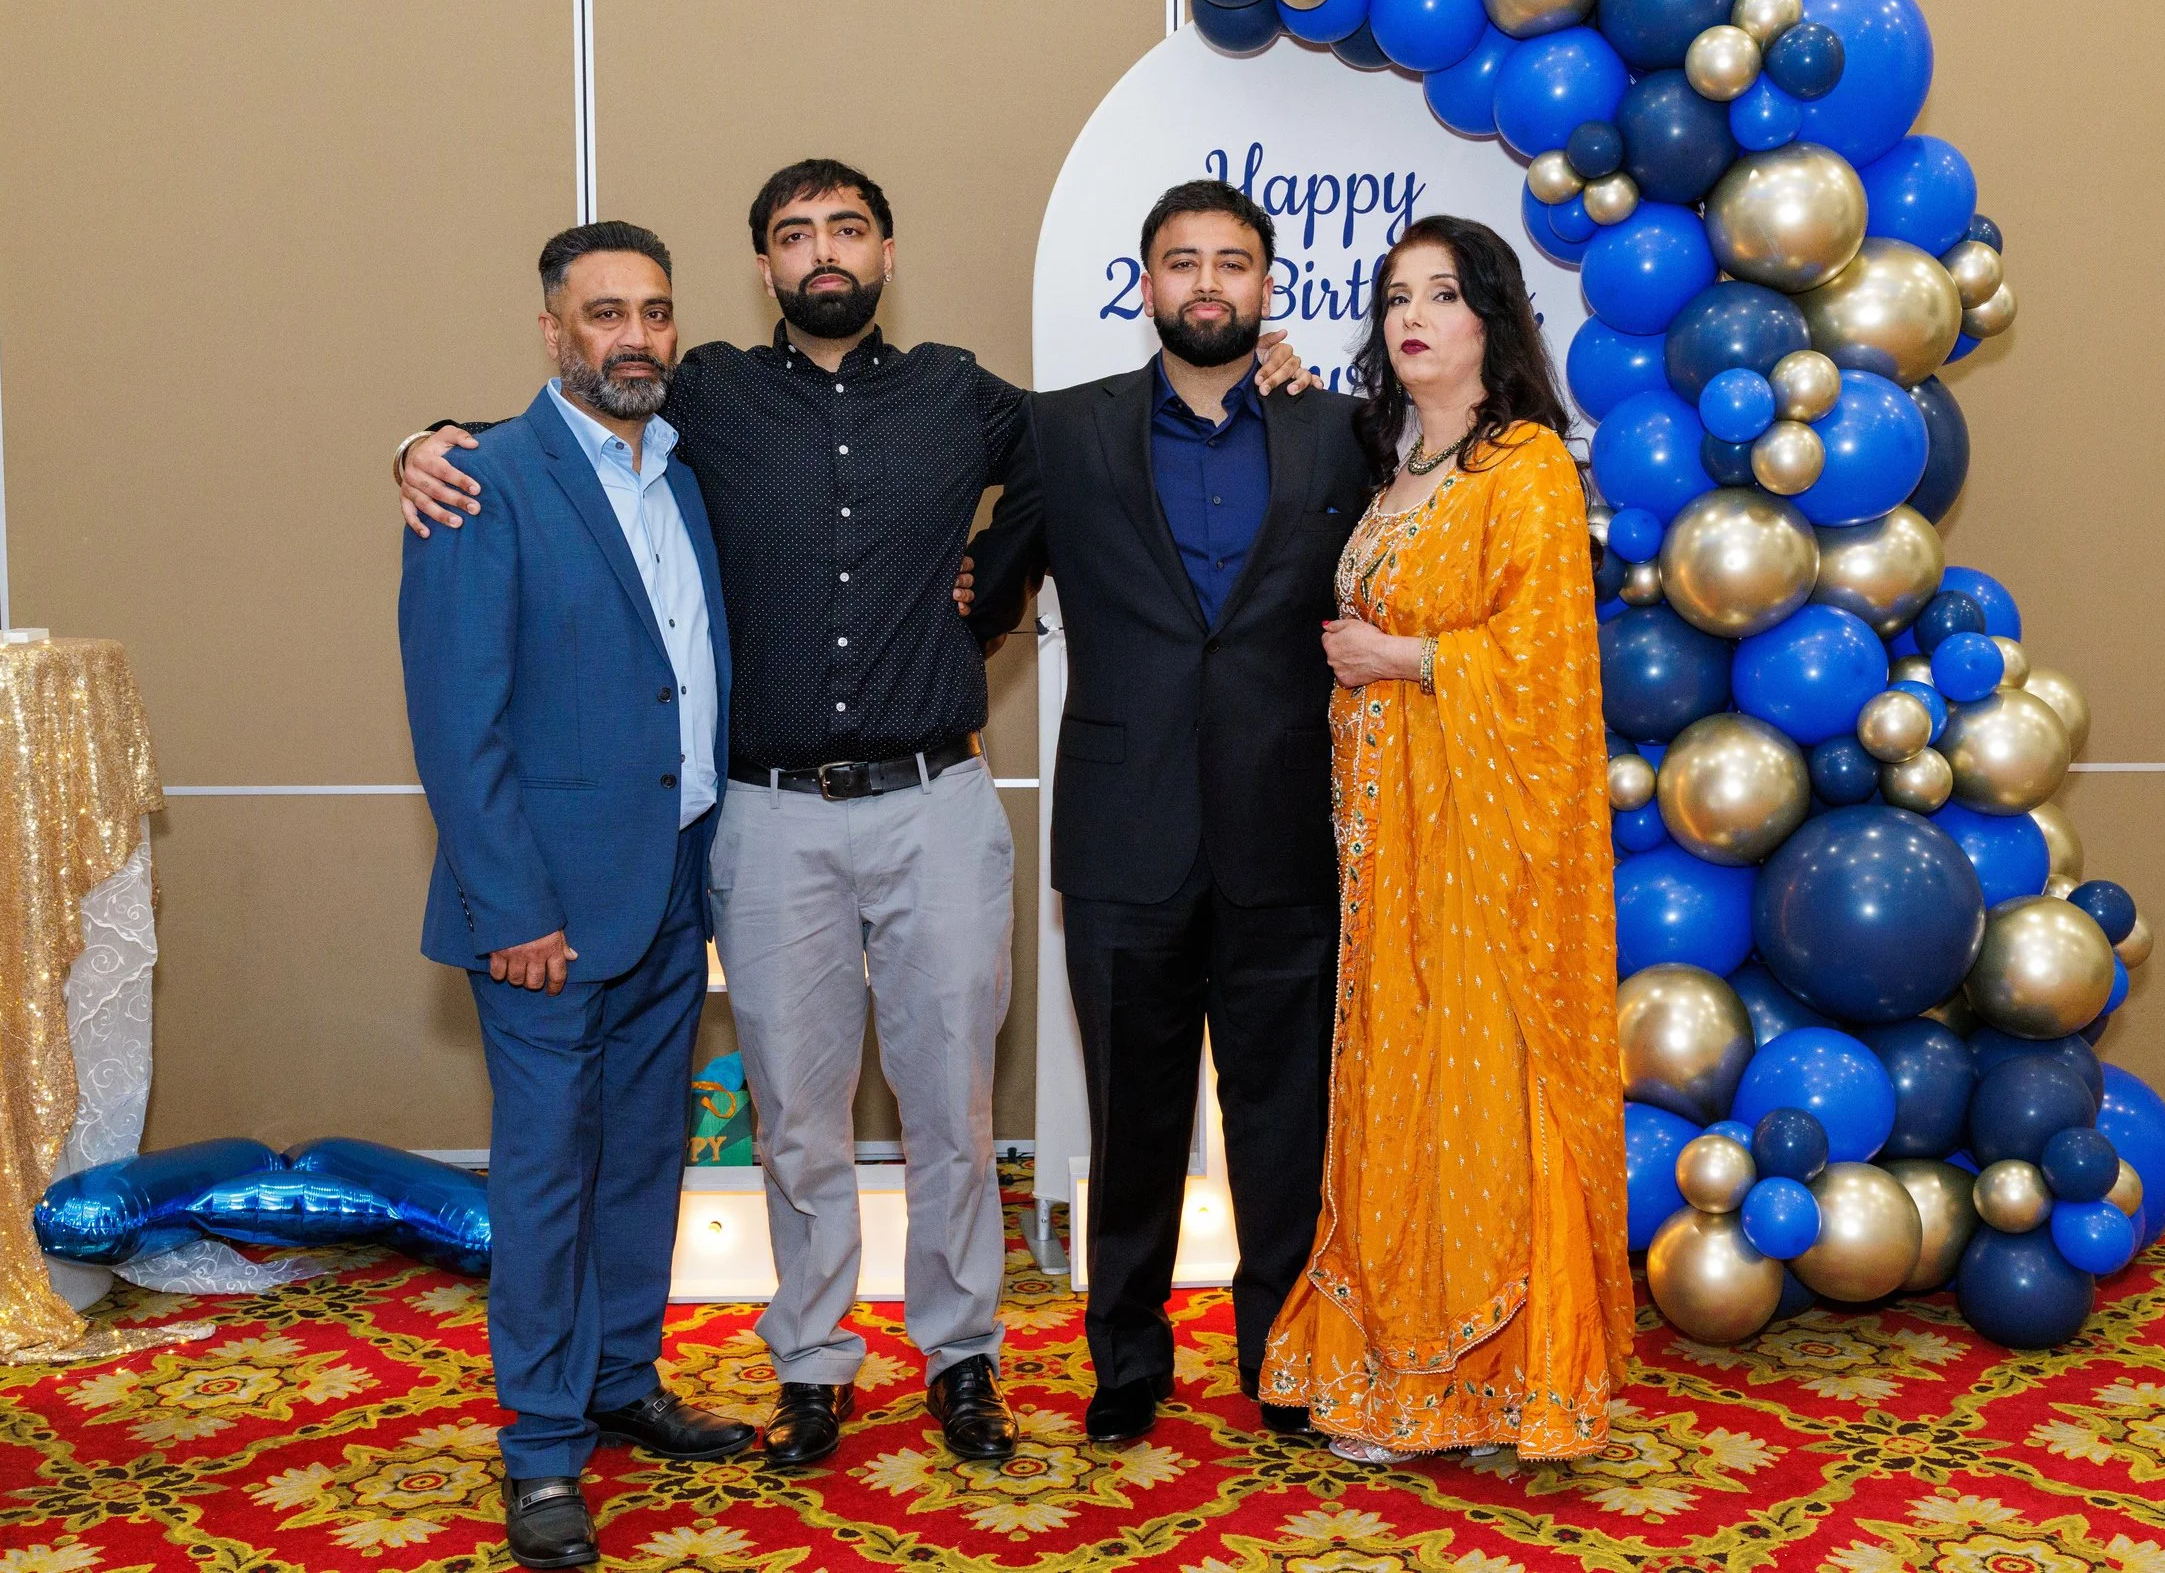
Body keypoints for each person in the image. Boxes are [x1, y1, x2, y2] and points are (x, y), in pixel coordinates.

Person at [393, 161, 1311, 1470]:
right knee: (798, 1113)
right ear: (762, 266)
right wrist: (425, 442)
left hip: (934, 801)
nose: (823, 252)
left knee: (947, 1104)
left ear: (887, 249)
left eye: (848, 229)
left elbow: (1110, 434)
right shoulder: (700, 388)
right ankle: (814, 1361)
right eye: (793, 235)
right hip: (770, 822)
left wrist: (1253, 377)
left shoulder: (961, 394)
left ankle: (962, 1355)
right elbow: (566, 430)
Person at [965, 180, 1372, 1444]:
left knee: (1284, 1122)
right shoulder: (1062, 431)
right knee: (1130, 1117)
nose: (1209, 283)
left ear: (1267, 285)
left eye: (1233, 263)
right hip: (1122, 828)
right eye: (1183, 262)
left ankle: (1283, 1357)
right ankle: (1127, 1361)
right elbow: (982, 605)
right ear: (1145, 285)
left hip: (1287, 829)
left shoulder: (1340, 434)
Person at [398, 221, 753, 1571]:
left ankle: (621, 1377)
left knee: (646, 1150)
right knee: (548, 1176)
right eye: (605, 313)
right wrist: (510, 911)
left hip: (672, 879)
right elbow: (456, 722)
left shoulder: (685, 467)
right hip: (545, 909)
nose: (635, 336)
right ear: (553, 331)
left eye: (655, 311)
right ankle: (542, 1447)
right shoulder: (480, 480)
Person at [1257, 216, 1630, 1466]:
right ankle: (1400, 1376)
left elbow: (1545, 665)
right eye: (1394, 296)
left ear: (1490, 318)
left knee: (1474, 1090)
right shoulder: (1396, 462)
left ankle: (1496, 1383)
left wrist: (1410, 657)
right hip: (1384, 846)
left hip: (1478, 846)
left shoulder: (1520, 465)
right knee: (1396, 1090)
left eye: (1441, 294)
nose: (1411, 315)